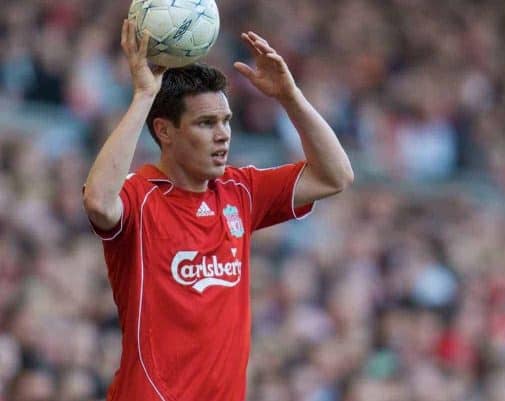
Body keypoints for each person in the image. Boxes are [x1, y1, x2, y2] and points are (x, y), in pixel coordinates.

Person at [82, 20, 353, 401]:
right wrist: (144, 96)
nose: (223, 134)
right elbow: (97, 201)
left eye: (225, 121)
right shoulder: (139, 196)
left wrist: (290, 97)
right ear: (164, 131)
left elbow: (335, 175)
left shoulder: (240, 190)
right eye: (206, 123)